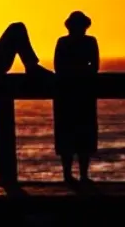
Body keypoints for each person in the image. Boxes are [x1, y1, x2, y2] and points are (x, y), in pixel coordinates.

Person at [53, 11, 99, 184]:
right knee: (83, 136)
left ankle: (69, 175)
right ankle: (82, 176)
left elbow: (59, 66)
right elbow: (94, 66)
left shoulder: (63, 42)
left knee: (68, 135)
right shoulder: (90, 42)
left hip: (66, 92)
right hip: (83, 92)